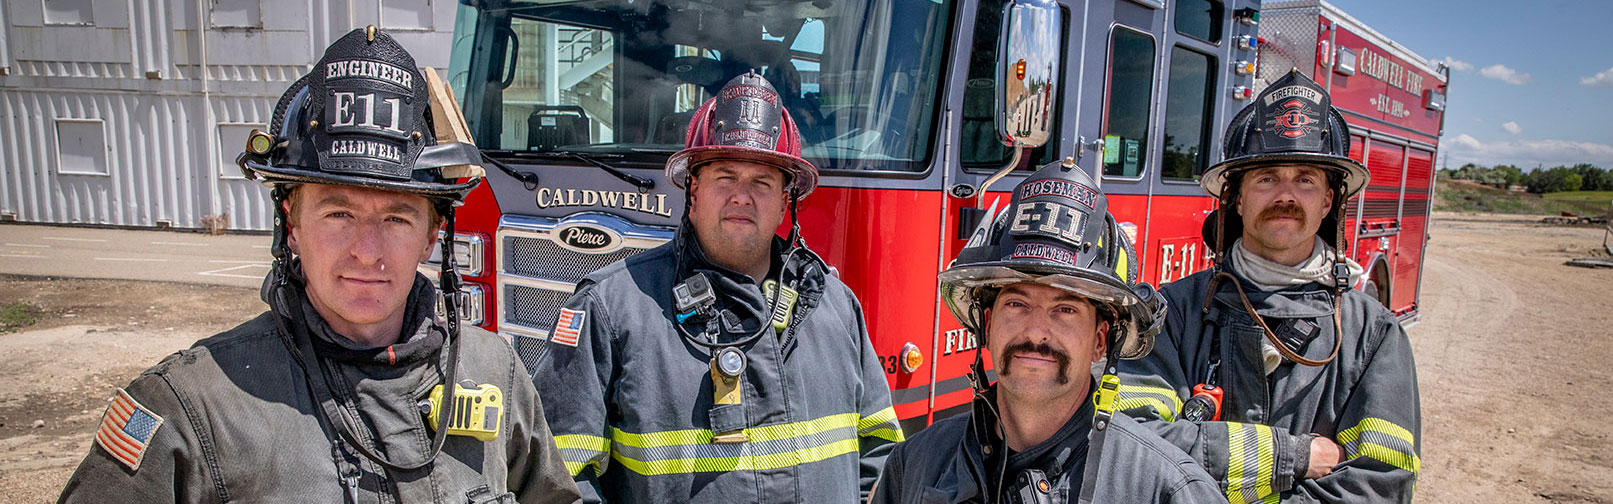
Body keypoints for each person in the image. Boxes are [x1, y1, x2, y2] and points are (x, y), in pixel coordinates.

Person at [56, 27, 582, 504]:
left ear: (432, 235)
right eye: (338, 213)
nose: (367, 251)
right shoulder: (193, 409)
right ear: (292, 222)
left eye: (397, 218)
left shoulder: (495, 371)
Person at [531, 71, 904, 503]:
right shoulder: (610, 310)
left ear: (787, 201)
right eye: (725, 177)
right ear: (693, 190)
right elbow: (558, 482)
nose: (742, 196)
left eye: (762, 182)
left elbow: (880, 458)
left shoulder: (835, 306)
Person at [1116, 70, 1421, 503]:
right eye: (1266, 178)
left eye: (1306, 179)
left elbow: (1378, 485)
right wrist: (1290, 455)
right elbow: (1132, 444)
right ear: (1237, 199)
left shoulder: (1372, 334)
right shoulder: (1174, 312)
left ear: (1328, 202)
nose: (1286, 195)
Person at [870, 162, 1224, 504]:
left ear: (1101, 341)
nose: (1036, 331)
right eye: (1017, 304)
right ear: (988, 325)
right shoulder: (915, 465)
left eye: (1065, 310)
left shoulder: (1167, 490)